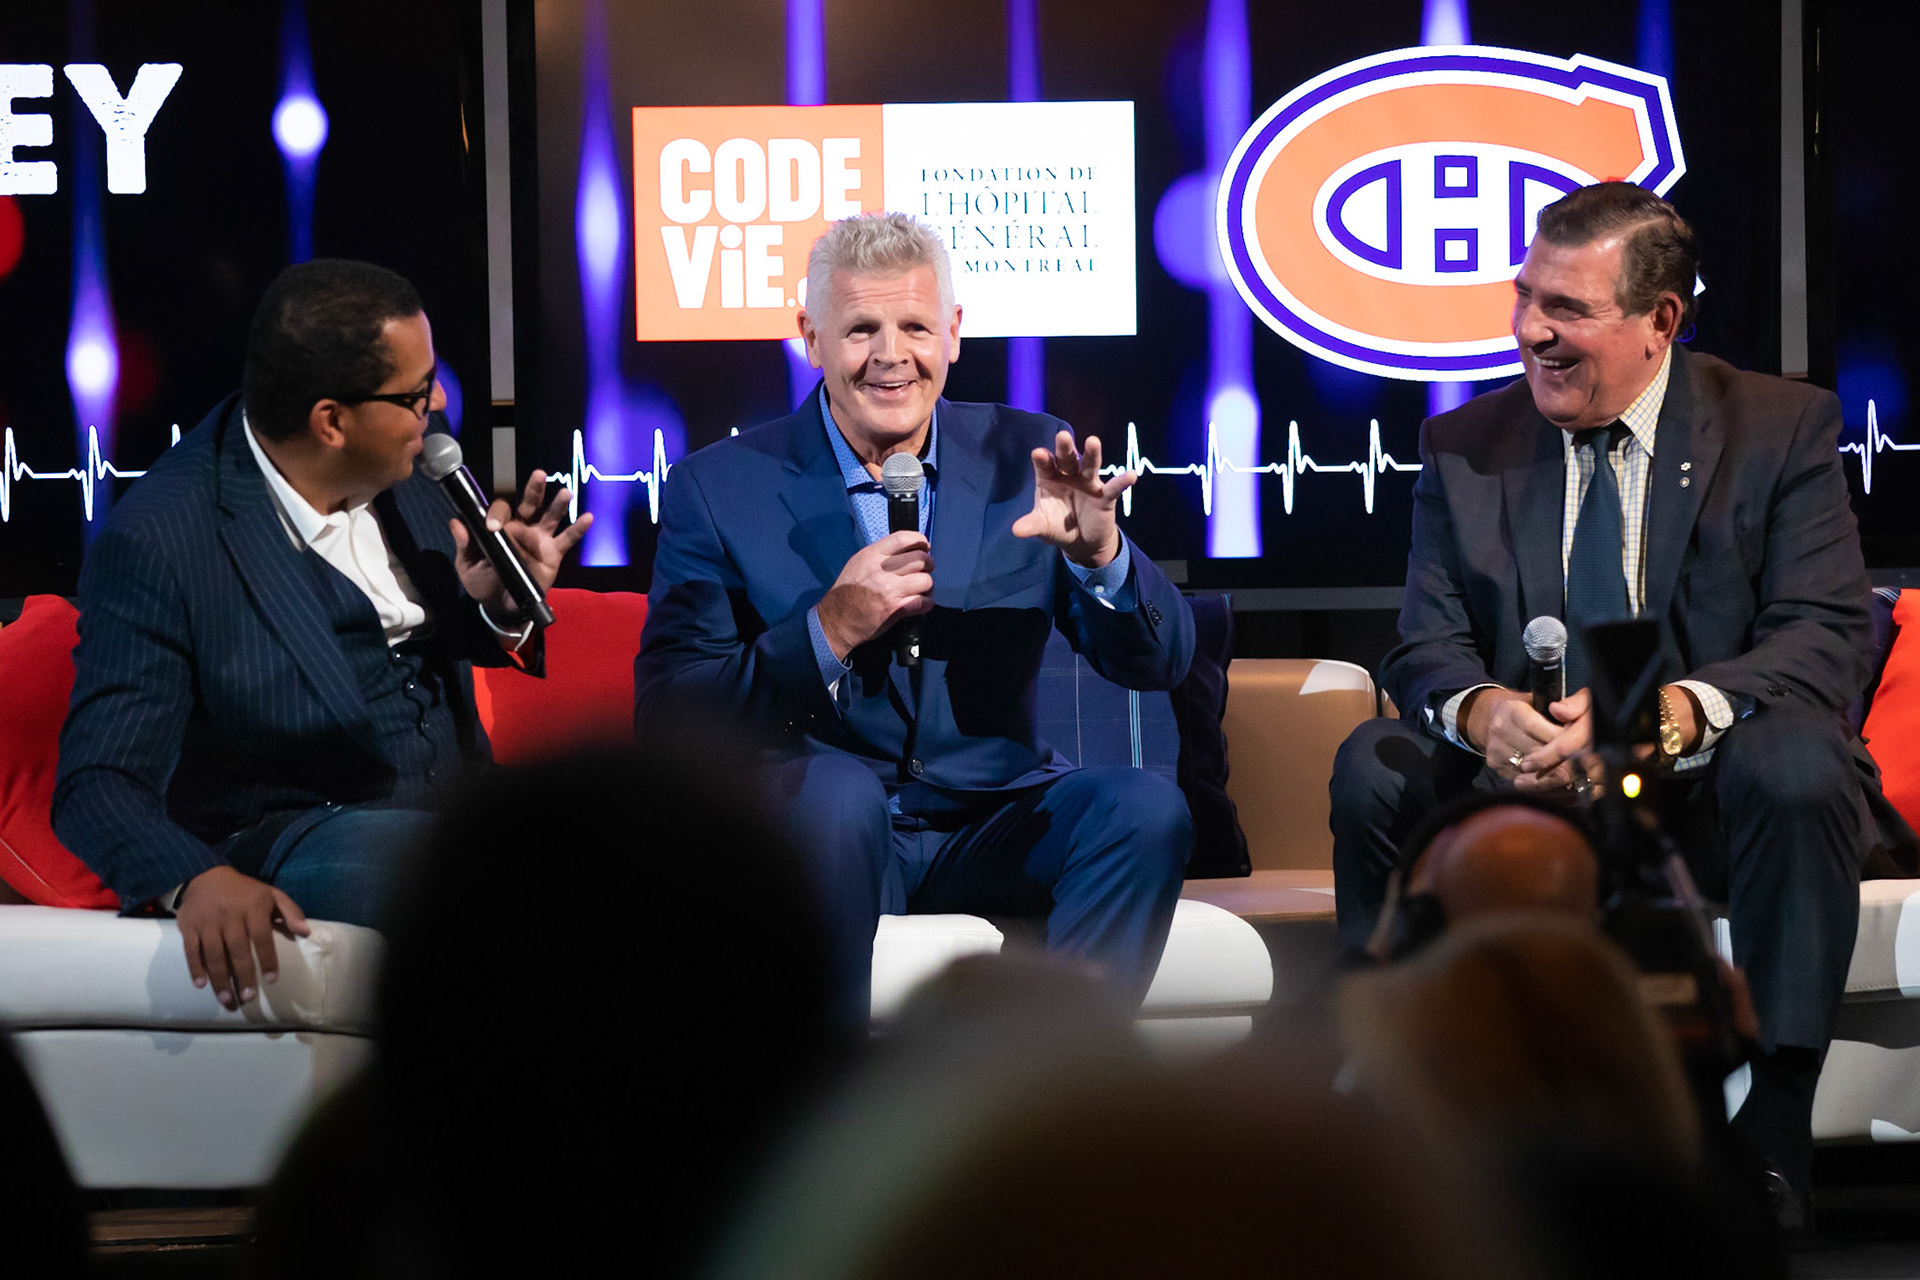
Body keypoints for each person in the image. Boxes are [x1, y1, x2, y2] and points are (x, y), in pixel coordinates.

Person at [1329, 183, 1904, 1218]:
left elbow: (1820, 636)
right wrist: (1482, 714)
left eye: (1567, 308)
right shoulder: (1465, 444)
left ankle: (1775, 1128)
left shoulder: (1778, 428)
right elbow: (1427, 645)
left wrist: (1658, 717)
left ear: (1660, 320)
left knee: (1799, 757)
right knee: (1374, 763)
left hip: (1709, 795)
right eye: (1525, 297)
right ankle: (1393, 1105)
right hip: (1528, 796)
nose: (1529, 330)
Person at [637, 212, 1195, 1023]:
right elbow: (671, 717)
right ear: (811, 337)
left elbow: (1159, 662)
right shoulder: (719, 488)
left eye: (915, 327)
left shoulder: (1027, 457)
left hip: (992, 818)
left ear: (954, 333)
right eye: (861, 329)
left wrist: (1100, 557)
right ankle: (827, 1092)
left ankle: (1050, 1082)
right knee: (837, 796)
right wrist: (827, 630)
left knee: (1143, 810)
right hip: (822, 826)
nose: (891, 354)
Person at [54, 259, 588, 1011]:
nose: (438, 403)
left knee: (640, 848)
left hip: (457, 803)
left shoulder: (409, 455)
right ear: (331, 422)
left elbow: (430, 636)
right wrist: (194, 879)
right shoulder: (164, 541)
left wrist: (496, 604)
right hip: (295, 823)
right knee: (494, 891)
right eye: (416, 394)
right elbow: (97, 780)